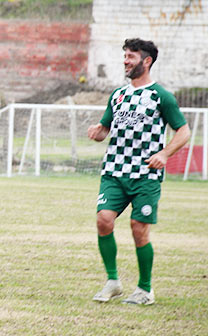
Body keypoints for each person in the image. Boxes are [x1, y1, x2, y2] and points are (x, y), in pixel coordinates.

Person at [87, 38, 190, 305]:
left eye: (131, 57)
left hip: (145, 175)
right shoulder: (118, 95)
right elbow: (105, 128)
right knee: (103, 220)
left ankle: (145, 290)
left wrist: (164, 154)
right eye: (124, 56)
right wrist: (98, 132)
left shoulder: (161, 96)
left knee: (138, 228)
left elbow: (184, 131)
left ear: (147, 61)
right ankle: (113, 282)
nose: (125, 61)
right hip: (114, 170)